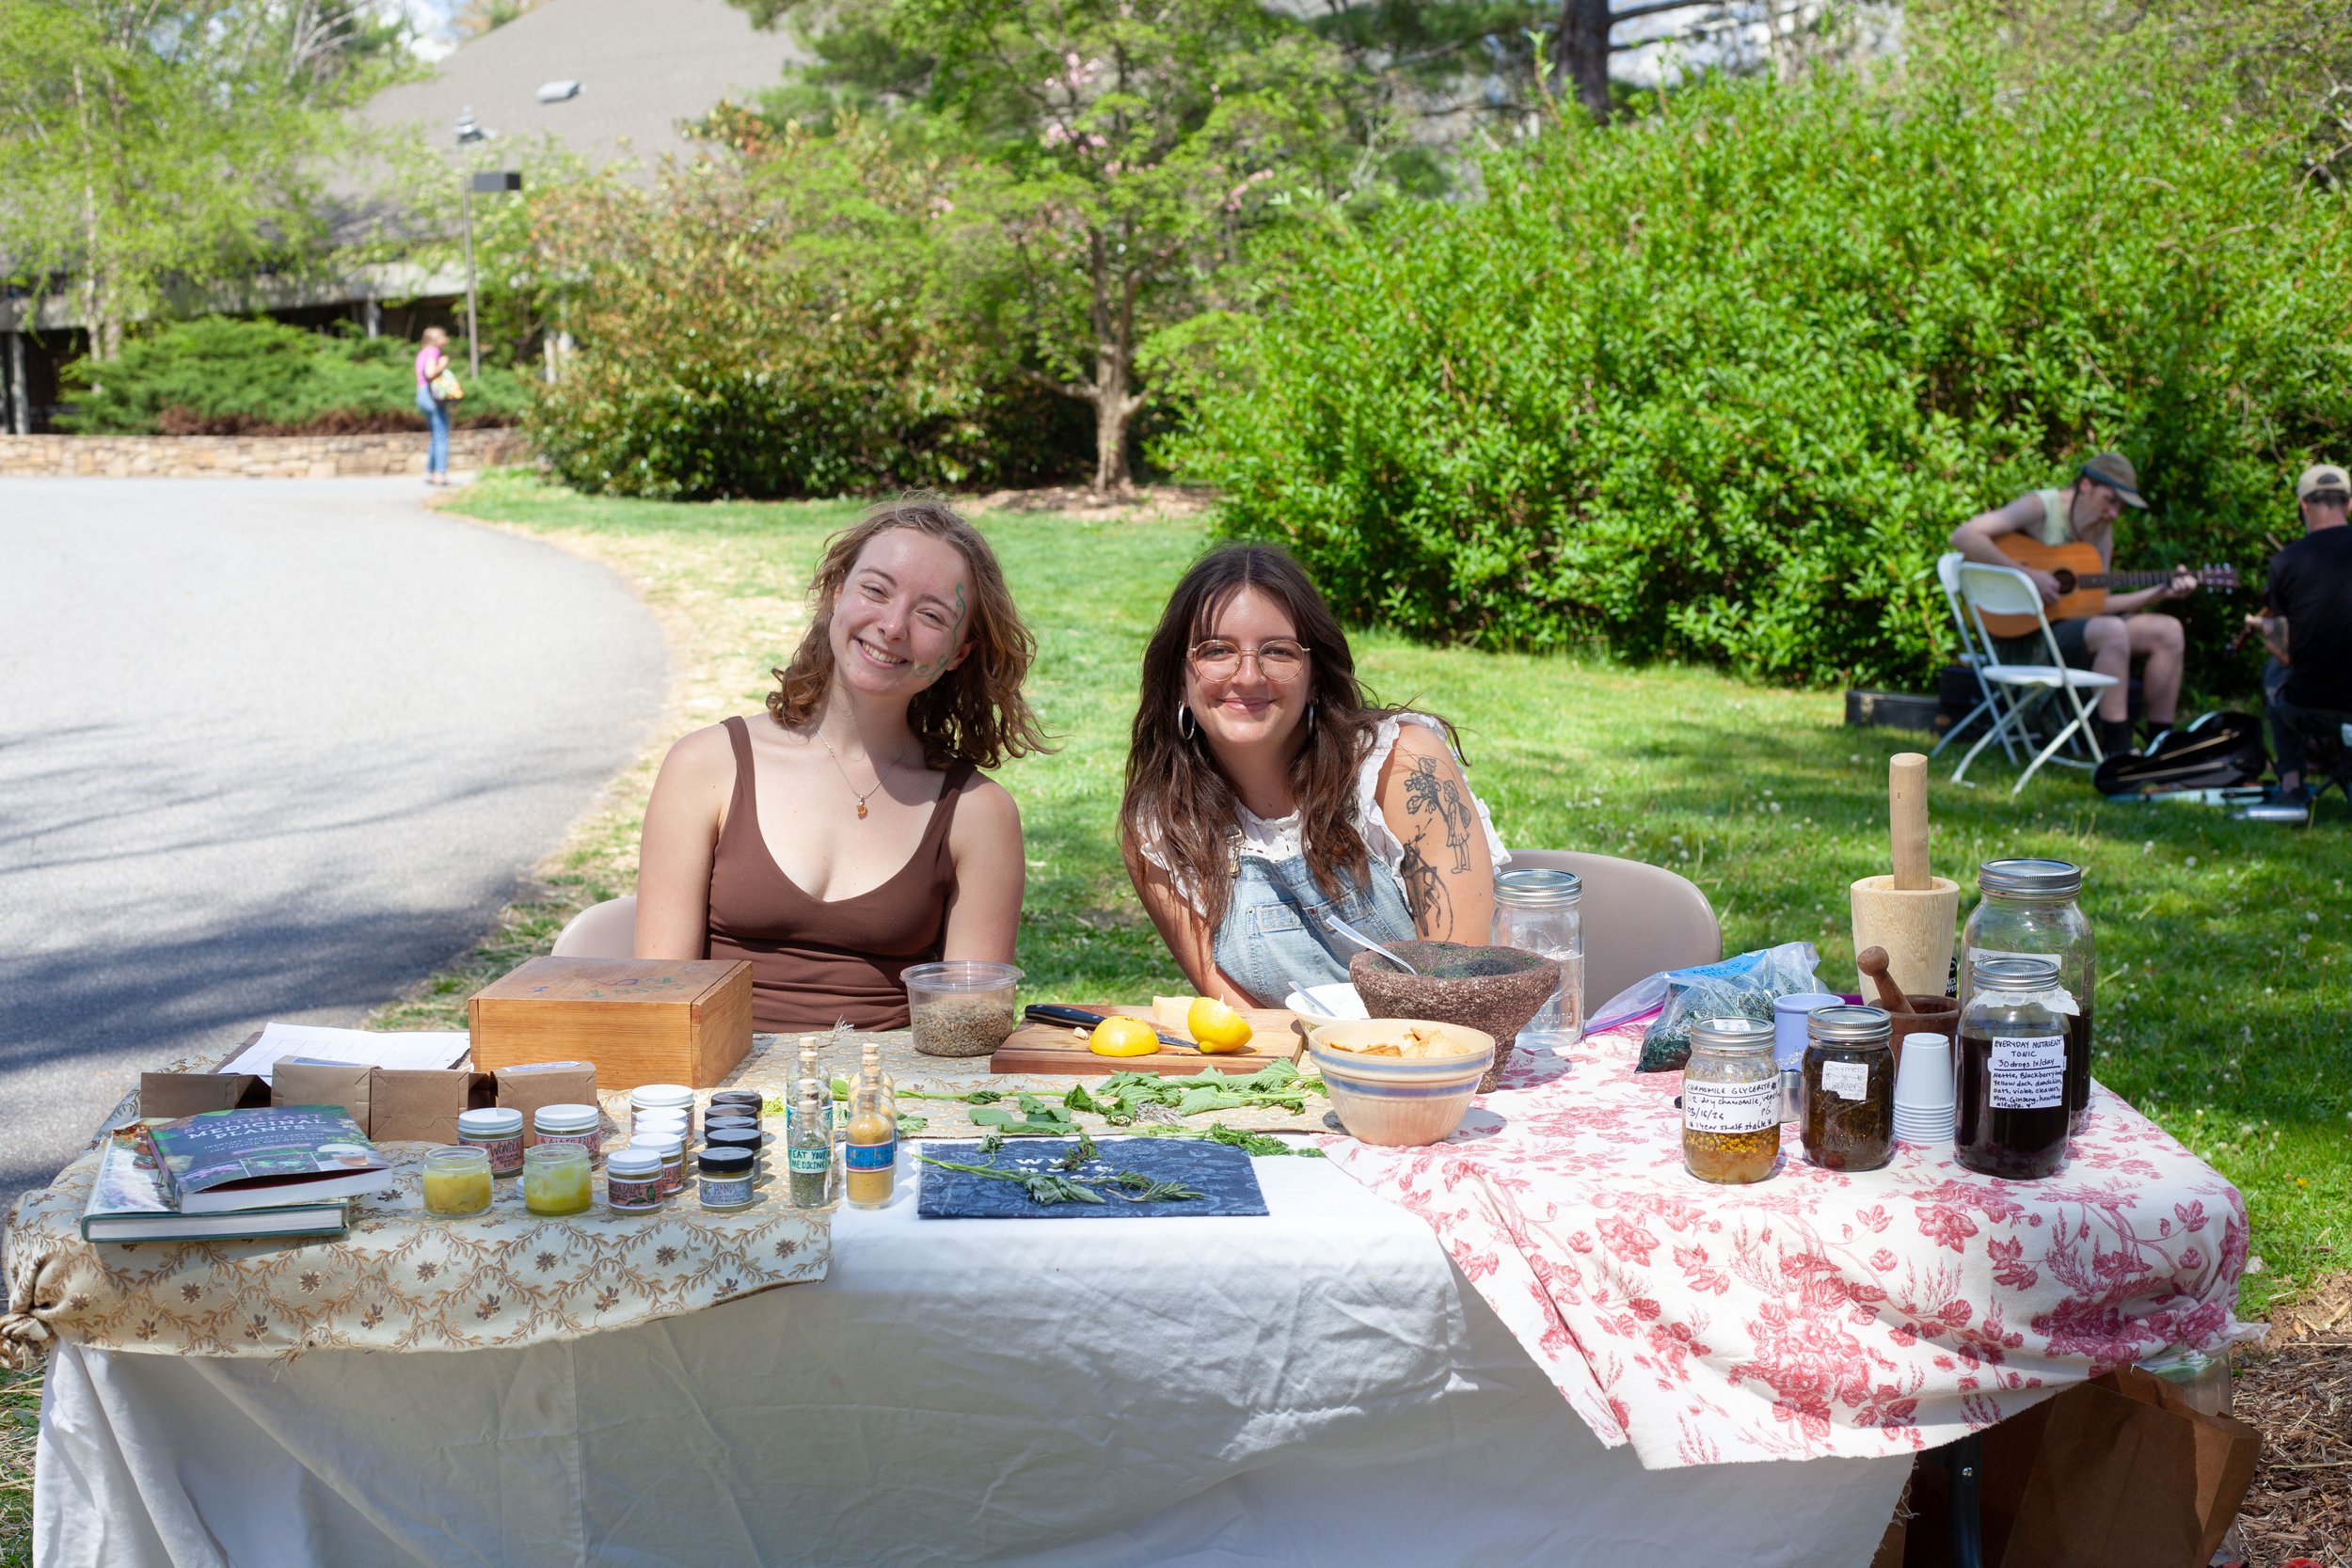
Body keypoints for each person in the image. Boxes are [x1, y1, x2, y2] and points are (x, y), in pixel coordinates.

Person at [634, 496, 1041, 1029]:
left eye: (931, 615)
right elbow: (660, 1008)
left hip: (890, 1083)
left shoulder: (979, 814)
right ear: (835, 594)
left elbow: (968, 1032)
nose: (893, 626)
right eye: (876, 590)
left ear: (959, 653)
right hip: (720, 1079)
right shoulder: (706, 767)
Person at [1120, 543, 1509, 1008]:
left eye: (1278, 651)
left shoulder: (1401, 769)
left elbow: (1456, 994)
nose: (1248, 676)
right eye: (1217, 650)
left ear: (1315, 679)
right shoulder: (1160, 833)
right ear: (1179, 679)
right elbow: (1241, 1024)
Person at [1950, 451, 2200, 757]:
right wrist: (2028, 576)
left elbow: (2098, 604)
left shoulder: (2102, 532)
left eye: (2121, 506)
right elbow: (1965, 536)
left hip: (2072, 632)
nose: (2114, 513)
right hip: (2022, 636)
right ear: (2085, 485)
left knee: (2168, 631)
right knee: (2111, 631)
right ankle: (2118, 752)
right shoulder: (2041, 507)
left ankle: (2162, 747)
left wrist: (2159, 593)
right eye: (2110, 500)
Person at [2250, 463, 2352, 809]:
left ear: (2303, 504)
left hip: (2311, 705)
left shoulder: (2285, 562)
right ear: (2349, 504)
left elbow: (2284, 652)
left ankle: (2292, 783)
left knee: (2275, 672)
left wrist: (2265, 629)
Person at [414, 327, 453, 488]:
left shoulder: (422, 353)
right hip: (432, 396)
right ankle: (440, 474)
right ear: (435, 339)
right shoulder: (433, 352)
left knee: (436, 435)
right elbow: (430, 373)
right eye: (443, 336)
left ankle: (430, 472)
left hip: (421, 394)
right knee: (441, 435)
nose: (446, 339)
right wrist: (442, 364)